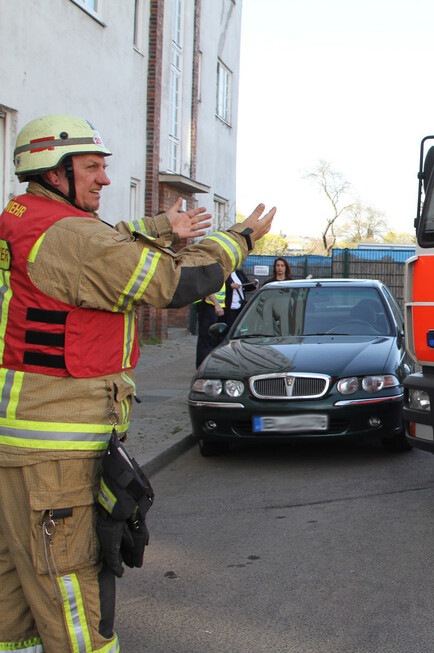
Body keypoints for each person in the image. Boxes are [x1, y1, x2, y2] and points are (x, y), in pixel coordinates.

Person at [0, 114, 275, 653]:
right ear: (55, 173)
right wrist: (237, 240)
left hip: (20, 440)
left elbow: (105, 247)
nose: (104, 179)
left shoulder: (23, 218)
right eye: (93, 168)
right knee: (71, 589)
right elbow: (174, 282)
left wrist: (157, 229)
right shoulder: (70, 235)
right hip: (55, 445)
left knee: (17, 584)